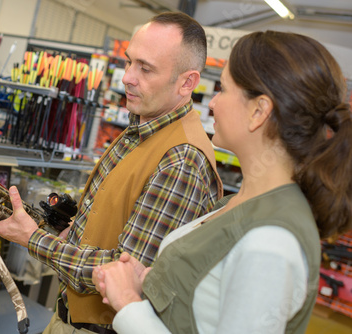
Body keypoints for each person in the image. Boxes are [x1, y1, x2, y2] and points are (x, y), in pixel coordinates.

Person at [92, 30, 352, 334]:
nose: (212, 102)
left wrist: (127, 303)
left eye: (224, 89)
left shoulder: (271, 242)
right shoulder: (241, 203)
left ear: (259, 111)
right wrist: (152, 279)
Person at [0, 11, 223, 334]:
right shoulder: (143, 126)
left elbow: (121, 272)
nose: (127, 77)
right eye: (129, 62)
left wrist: (32, 238)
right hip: (69, 316)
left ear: (187, 82)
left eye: (145, 68)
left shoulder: (182, 160)